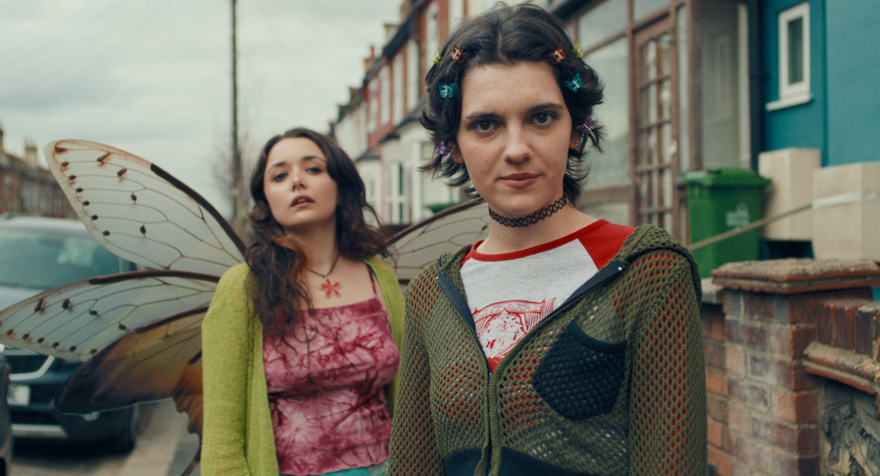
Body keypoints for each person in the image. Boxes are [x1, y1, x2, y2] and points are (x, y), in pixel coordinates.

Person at [388, 4, 706, 476]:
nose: (516, 149)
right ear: (453, 144)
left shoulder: (646, 271)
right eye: (485, 124)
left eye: (540, 117)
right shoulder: (433, 293)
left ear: (575, 130)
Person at [201, 128, 404, 476]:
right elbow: (222, 441)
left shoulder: (380, 278)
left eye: (313, 169)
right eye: (279, 175)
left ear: (340, 188)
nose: (297, 181)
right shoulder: (242, 288)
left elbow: (409, 398)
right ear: (266, 200)